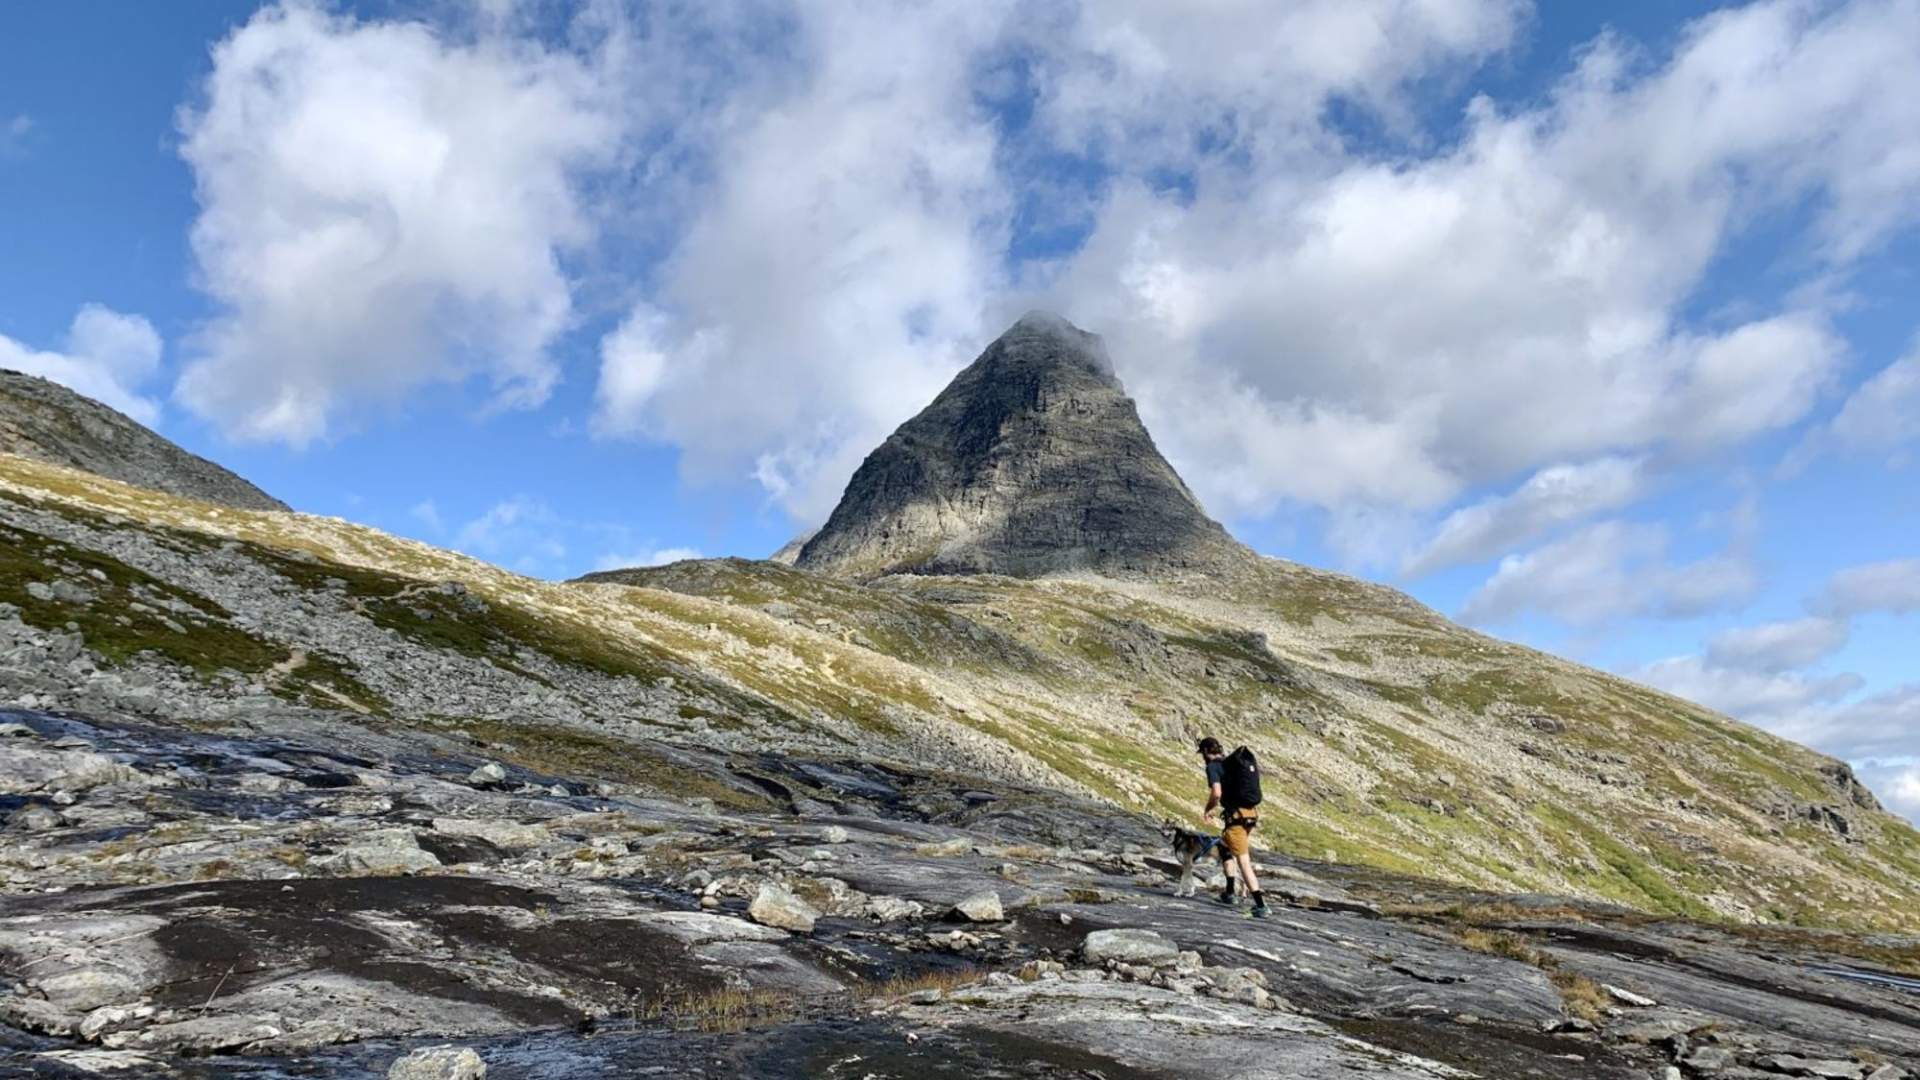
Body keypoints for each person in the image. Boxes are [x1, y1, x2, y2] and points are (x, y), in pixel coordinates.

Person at [1198, 736, 1268, 918]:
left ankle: (1260, 905)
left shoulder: (1213, 767)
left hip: (1236, 818)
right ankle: (1229, 893)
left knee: (1244, 862)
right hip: (1250, 815)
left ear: (1205, 752)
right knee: (1224, 847)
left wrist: (1207, 809)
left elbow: (1216, 792)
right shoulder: (1231, 764)